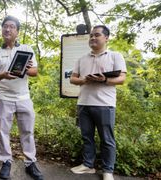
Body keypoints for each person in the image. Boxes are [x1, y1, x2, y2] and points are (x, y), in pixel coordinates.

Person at [0, 16, 43, 180]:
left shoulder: (27, 48)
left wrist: (23, 70)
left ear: (17, 31)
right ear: (2, 30)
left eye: (12, 27)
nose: (7, 29)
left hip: (24, 97)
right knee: (3, 131)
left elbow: (34, 72)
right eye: (5, 26)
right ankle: (6, 162)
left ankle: (30, 163)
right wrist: (3, 75)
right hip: (4, 97)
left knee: (27, 131)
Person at [69, 25, 127, 180]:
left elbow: (122, 78)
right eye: (91, 36)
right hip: (84, 103)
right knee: (87, 136)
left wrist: (105, 79)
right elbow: (73, 78)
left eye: (97, 35)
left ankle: (108, 171)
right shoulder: (82, 59)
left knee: (107, 139)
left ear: (106, 38)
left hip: (105, 104)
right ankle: (88, 165)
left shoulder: (115, 56)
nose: (93, 38)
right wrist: (83, 80)